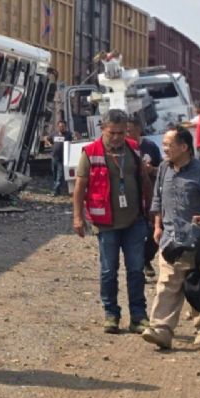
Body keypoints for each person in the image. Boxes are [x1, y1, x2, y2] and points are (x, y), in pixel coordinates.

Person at [141, 126, 200, 350]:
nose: (164, 148)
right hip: (171, 240)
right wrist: (157, 226)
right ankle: (161, 329)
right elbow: (158, 199)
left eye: (169, 144)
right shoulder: (163, 168)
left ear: (184, 147)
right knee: (167, 284)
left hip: (199, 241)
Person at [73, 109, 152, 334]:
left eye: (121, 132)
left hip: (134, 221)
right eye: (113, 133)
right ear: (103, 129)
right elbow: (80, 187)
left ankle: (138, 315)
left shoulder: (133, 149)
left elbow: (144, 180)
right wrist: (78, 217)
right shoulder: (90, 153)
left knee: (136, 269)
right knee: (109, 271)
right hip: (106, 224)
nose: (117, 137)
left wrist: (153, 211)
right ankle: (111, 314)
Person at [127, 116, 163, 279]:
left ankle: (146, 259)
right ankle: (136, 268)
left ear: (138, 130)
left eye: (129, 130)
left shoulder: (150, 147)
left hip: (150, 196)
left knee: (154, 230)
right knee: (135, 232)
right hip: (131, 197)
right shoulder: (123, 148)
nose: (126, 134)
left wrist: (151, 170)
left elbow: (162, 170)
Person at [44, 120, 71, 196]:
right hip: (54, 158)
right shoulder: (54, 134)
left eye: (62, 126)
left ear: (65, 127)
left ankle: (54, 191)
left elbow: (73, 142)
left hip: (62, 158)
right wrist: (49, 144)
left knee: (60, 176)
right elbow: (46, 138)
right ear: (57, 127)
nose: (61, 128)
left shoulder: (68, 135)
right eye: (60, 126)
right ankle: (58, 190)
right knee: (54, 175)